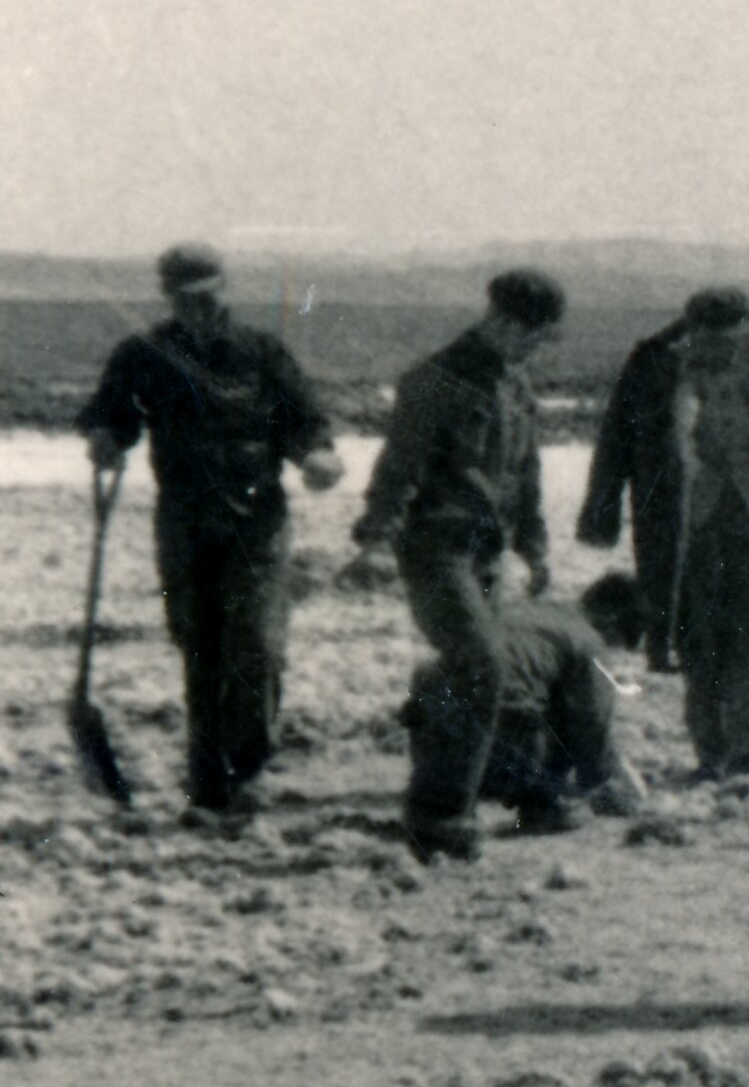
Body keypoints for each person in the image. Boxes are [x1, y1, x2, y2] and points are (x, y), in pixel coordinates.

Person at [76, 243, 345, 814]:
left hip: (258, 520)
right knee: (199, 649)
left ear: (225, 288)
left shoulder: (261, 352)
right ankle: (207, 783)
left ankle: (246, 769)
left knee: (258, 646)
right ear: (166, 296)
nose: (196, 306)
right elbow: (111, 416)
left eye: (205, 295)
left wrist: (317, 456)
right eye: (182, 297)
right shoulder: (143, 354)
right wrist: (104, 439)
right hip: (184, 520)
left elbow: (304, 421)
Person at [574, 285, 749, 771]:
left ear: (745, 332)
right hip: (683, 528)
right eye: (706, 341)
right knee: (695, 633)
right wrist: (600, 516)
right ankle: (710, 752)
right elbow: (615, 442)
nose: (716, 351)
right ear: (690, 334)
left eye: (728, 342)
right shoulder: (657, 373)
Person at [349, 267, 565, 862]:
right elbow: (398, 469)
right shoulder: (435, 381)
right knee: (481, 662)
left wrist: (536, 548)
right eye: (530, 336)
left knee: (474, 669)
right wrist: (375, 538)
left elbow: (525, 476)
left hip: (487, 553)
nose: (534, 349)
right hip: (435, 549)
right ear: (500, 321)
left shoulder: (516, 387)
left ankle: (495, 788)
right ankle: (438, 815)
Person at [398, 583, 648, 834]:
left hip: (432, 748)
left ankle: (446, 794)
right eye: (616, 643)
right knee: (569, 709)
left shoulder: (527, 610)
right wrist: (604, 782)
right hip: (495, 749)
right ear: (610, 622)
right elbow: (592, 721)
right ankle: (544, 804)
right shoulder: (586, 638)